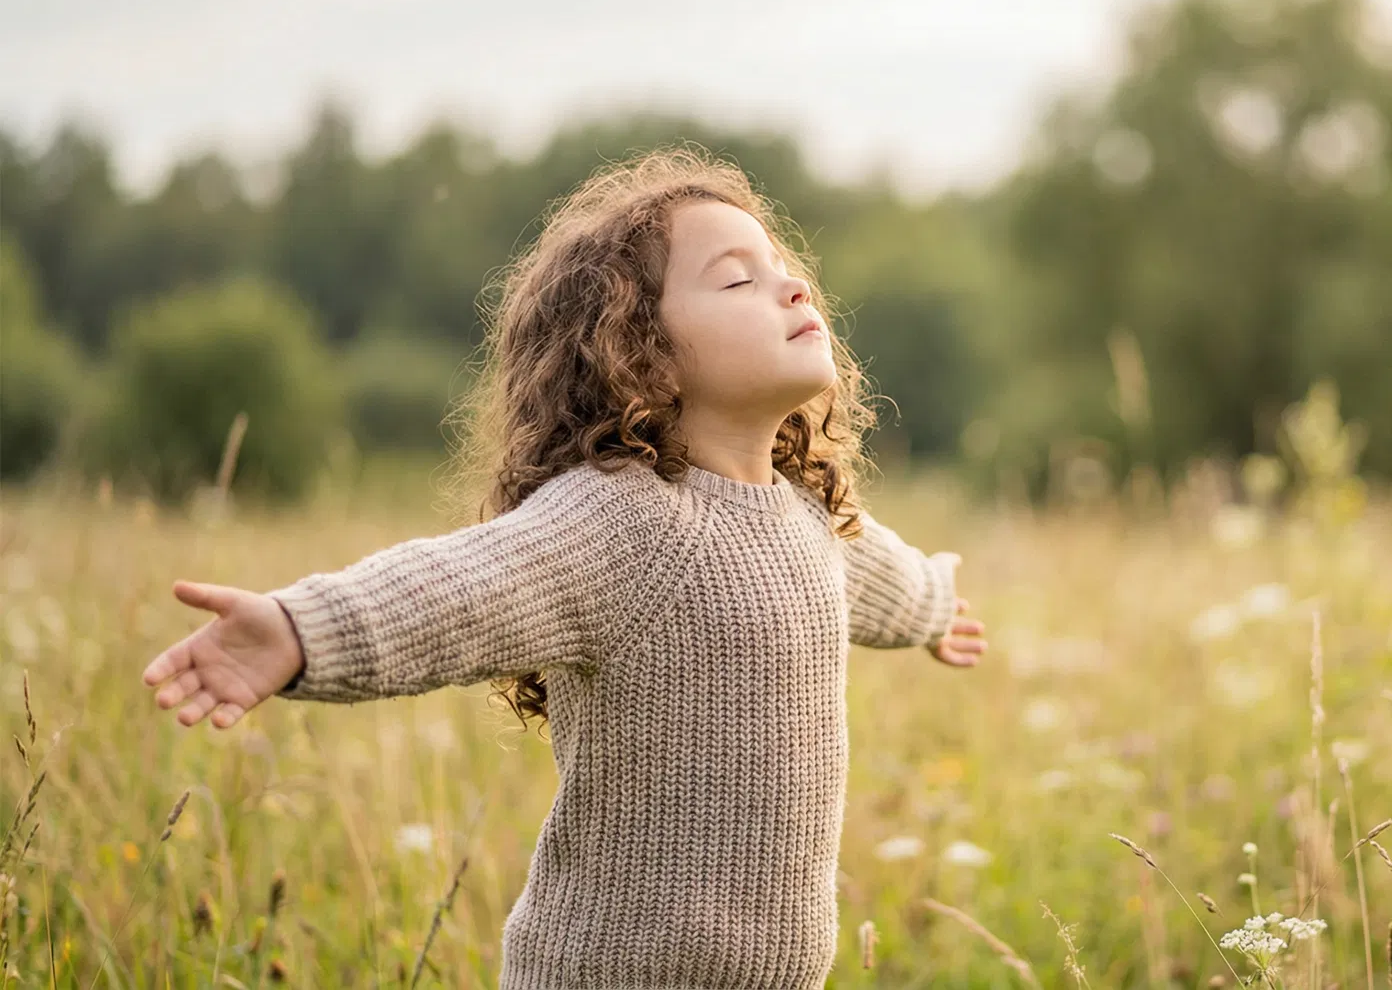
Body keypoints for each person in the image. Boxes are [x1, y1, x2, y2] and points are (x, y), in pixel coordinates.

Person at [139, 146, 989, 988]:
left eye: (781, 267)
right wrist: (300, 630)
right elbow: (464, 586)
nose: (792, 287)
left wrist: (936, 605)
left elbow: (887, 584)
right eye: (737, 279)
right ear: (641, 353)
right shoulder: (625, 518)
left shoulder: (810, 522)